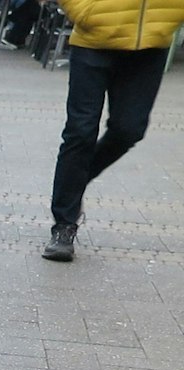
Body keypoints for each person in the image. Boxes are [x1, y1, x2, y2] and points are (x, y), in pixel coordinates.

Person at [42, 0, 184, 260]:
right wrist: (86, 12)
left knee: (129, 129)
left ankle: (72, 185)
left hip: (151, 43)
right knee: (80, 131)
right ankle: (64, 224)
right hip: (93, 42)